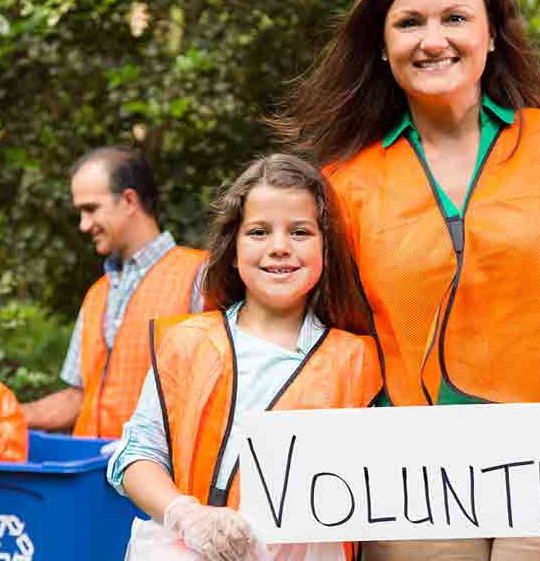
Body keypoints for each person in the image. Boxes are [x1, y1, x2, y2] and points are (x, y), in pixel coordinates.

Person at [271, 0, 540, 558]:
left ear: (491, 34)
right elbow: (313, 329)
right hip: (413, 472)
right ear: (381, 45)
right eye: (409, 23)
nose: (433, 40)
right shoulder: (340, 184)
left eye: (455, 18)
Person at [107, 154, 382, 561]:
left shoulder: (357, 361)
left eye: (300, 232)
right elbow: (136, 454)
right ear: (232, 250)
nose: (279, 248)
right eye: (258, 231)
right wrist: (185, 515)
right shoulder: (186, 344)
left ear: (327, 249)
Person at [21, 146, 207, 438]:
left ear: (129, 201)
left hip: (160, 478)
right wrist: (7, 413)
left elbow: (220, 393)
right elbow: (77, 398)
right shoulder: (97, 294)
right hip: (91, 475)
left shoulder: (198, 275)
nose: (83, 225)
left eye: (91, 209)